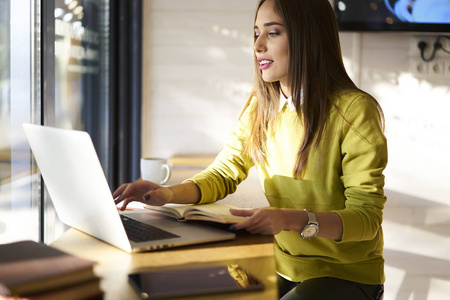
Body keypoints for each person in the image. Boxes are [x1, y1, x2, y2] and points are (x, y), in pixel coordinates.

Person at [114, 0, 387, 299]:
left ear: (308, 36)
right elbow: (223, 172)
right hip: (281, 266)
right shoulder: (261, 106)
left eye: (272, 33)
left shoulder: (355, 111)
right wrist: (166, 194)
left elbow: (366, 219)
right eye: (255, 33)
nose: (257, 45)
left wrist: (293, 219)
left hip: (346, 275)